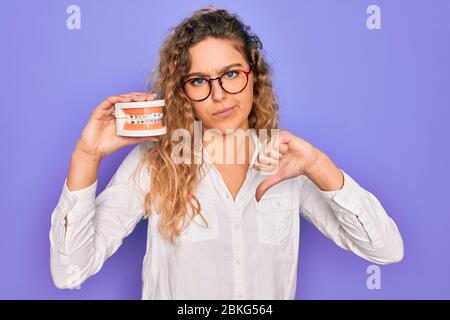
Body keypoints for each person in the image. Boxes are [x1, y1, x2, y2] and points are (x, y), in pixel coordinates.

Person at [49, 6, 404, 300]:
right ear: (183, 91)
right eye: (200, 81)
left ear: (253, 73)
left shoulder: (290, 162)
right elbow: (70, 272)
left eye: (231, 74)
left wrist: (320, 166)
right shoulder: (154, 163)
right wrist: (86, 155)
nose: (219, 94)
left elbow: (386, 250)